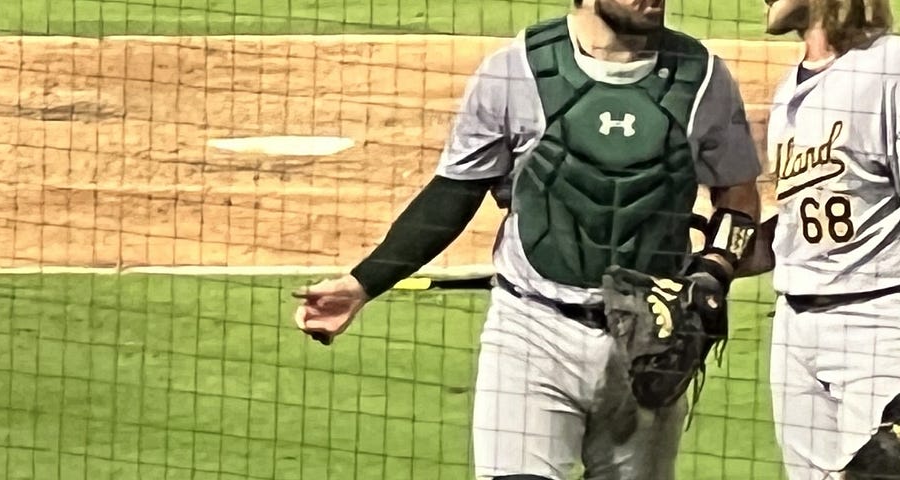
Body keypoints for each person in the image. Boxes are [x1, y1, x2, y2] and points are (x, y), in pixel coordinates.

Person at [288, 0, 764, 477]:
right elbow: (456, 191)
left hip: (649, 339)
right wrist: (363, 283)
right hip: (532, 329)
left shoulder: (702, 78)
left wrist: (715, 270)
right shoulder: (515, 71)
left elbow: (738, 197)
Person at [745, 0, 900, 477]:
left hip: (879, 322)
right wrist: (713, 265)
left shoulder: (895, 67)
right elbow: (802, 221)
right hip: (794, 324)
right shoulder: (789, 87)